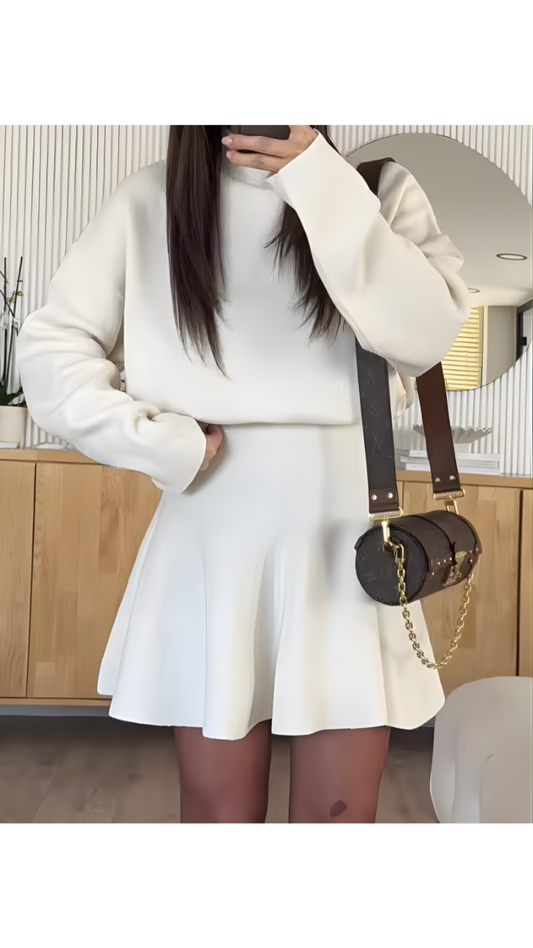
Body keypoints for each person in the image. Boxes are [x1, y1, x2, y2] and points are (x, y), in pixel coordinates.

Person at [16, 125, 470, 823]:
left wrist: (315, 177)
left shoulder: (375, 190)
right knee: (218, 821)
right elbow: (52, 355)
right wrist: (161, 442)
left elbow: (426, 334)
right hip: (213, 524)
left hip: (347, 531)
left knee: (339, 815)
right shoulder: (151, 200)